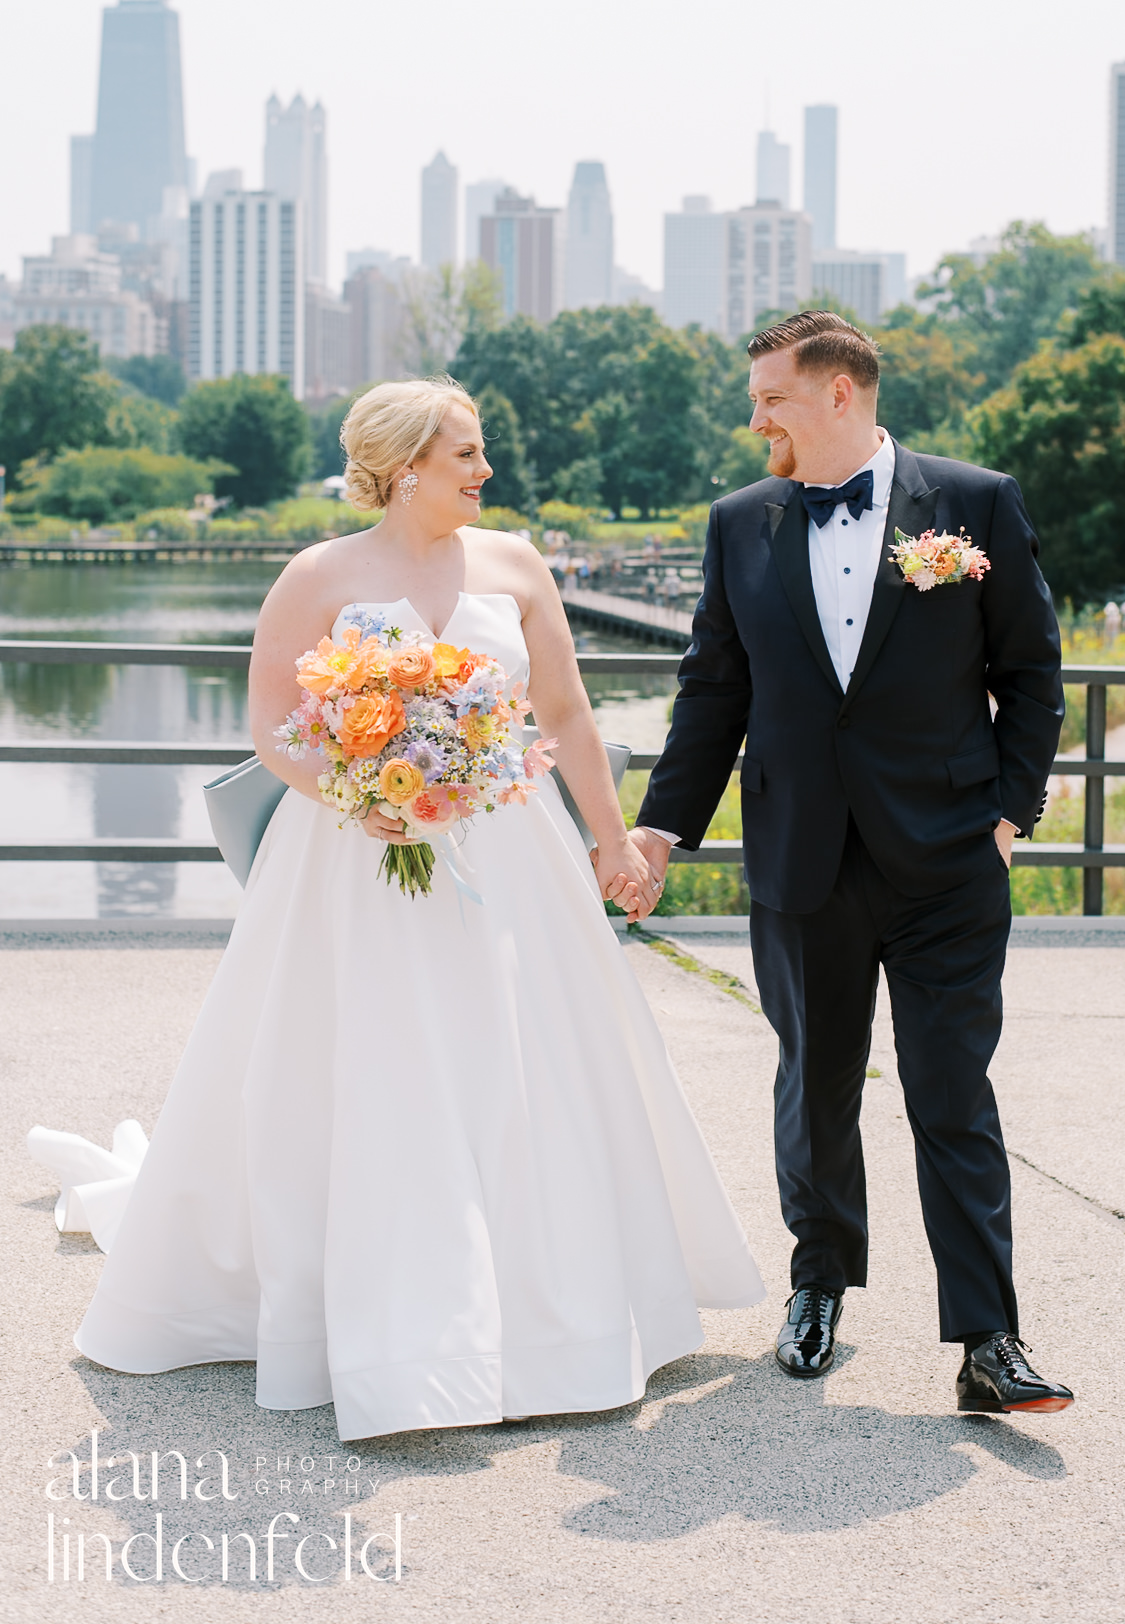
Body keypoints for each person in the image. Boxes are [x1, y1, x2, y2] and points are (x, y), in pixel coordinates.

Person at [70, 377, 763, 1440]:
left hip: (511, 850)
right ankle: (392, 1327)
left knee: (523, 1064)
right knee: (381, 1065)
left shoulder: (515, 563)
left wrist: (609, 834)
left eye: (480, 453)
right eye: (466, 455)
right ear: (404, 467)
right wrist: (355, 789)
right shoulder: (321, 573)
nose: (485, 471)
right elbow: (272, 724)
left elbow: (567, 711)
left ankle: (543, 1318)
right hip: (359, 854)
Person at [623, 312, 1073, 1416]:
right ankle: (816, 1281)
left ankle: (988, 1337)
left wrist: (1008, 811)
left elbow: (1030, 665)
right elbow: (711, 691)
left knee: (950, 1093)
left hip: (947, 859)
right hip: (798, 855)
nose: (755, 416)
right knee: (815, 1084)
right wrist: (658, 828)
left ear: (839, 395)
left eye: (770, 395)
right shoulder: (738, 523)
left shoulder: (971, 501)